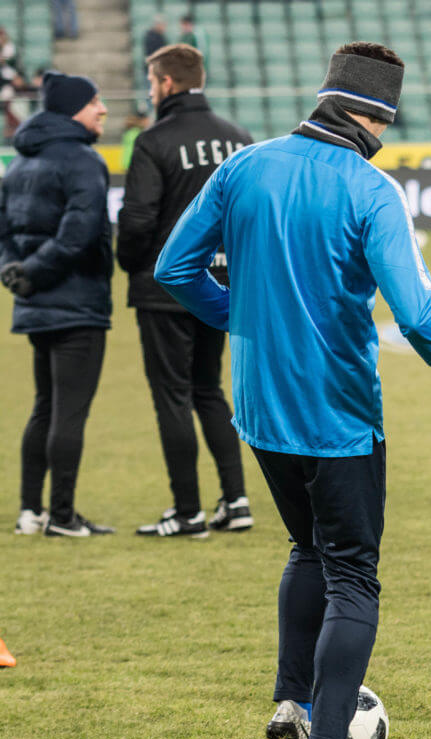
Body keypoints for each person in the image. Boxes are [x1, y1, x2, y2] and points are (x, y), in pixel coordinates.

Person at [154, 42, 431, 739]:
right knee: (354, 575)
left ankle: (293, 704)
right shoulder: (371, 189)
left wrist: (239, 314)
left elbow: (174, 267)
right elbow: (415, 312)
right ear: (378, 117)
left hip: (260, 407)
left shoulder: (244, 167)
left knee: (306, 550)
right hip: (337, 412)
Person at [117, 44, 255, 538]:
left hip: (167, 288)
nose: (150, 91)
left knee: (172, 396)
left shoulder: (152, 141)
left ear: (167, 83)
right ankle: (236, 501)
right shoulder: (239, 139)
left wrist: (130, 264)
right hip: (223, 285)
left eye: (152, 83)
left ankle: (188, 512)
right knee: (209, 390)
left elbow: (138, 219)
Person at [1, 72, 114, 538]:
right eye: (94, 102)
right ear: (72, 109)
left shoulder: (18, 163)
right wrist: (32, 271)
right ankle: (63, 517)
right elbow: (78, 233)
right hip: (77, 301)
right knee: (68, 411)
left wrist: (18, 273)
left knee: (44, 407)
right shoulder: (84, 160)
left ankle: (31, 512)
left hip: (35, 303)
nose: (103, 109)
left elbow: (4, 233)